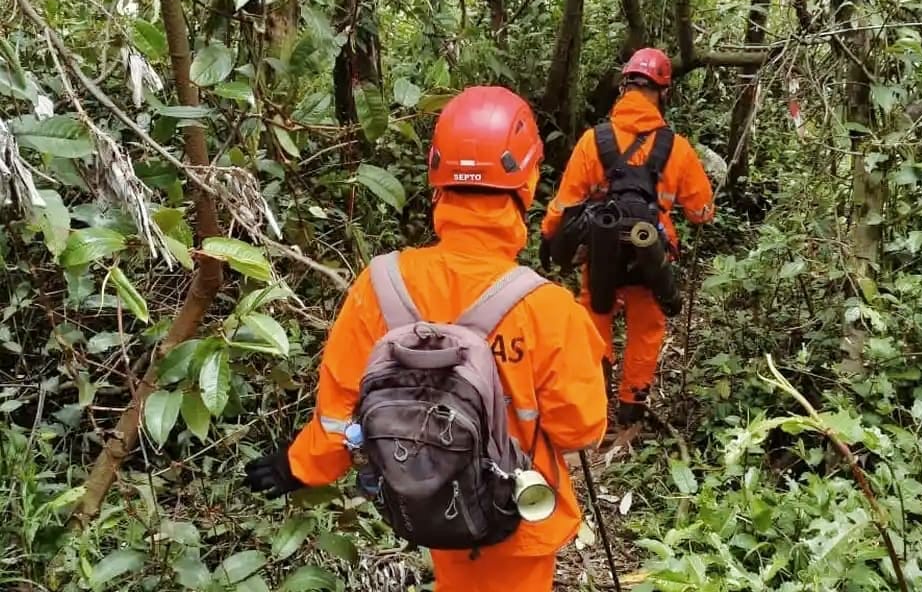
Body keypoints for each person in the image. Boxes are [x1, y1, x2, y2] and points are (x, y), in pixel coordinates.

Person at [244, 86, 609, 592]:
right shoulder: (549, 308)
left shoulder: (382, 285)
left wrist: (298, 465)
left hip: (426, 497)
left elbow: (338, 414)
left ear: (436, 176)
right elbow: (581, 431)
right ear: (527, 182)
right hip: (515, 521)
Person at [539, 48, 714, 426]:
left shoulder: (594, 141)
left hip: (602, 247)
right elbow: (702, 212)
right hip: (650, 251)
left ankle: (596, 393)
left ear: (624, 89)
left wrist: (548, 234)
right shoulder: (677, 148)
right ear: (663, 93)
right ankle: (632, 404)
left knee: (595, 312)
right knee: (647, 326)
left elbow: (565, 202)